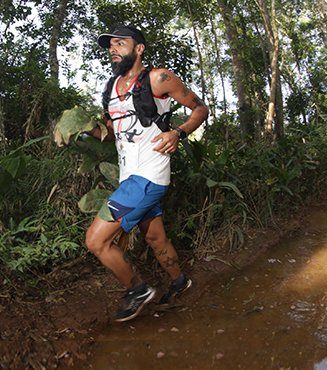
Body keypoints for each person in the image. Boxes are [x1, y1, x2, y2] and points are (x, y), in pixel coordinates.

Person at [85, 25, 209, 322]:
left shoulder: (158, 78)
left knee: (96, 241)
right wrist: (83, 130)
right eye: (110, 45)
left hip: (149, 175)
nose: (113, 49)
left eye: (120, 43)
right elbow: (114, 134)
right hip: (130, 176)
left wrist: (178, 133)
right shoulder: (110, 89)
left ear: (139, 48)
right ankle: (180, 282)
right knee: (156, 240)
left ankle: (137, 290)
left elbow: (200, 109)